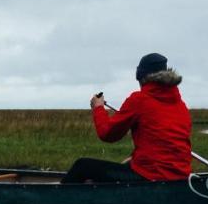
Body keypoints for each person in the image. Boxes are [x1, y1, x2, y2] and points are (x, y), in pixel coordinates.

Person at [61, 52, 192, 184]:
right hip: (180, 177)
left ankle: (57, 200)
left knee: (83, 166)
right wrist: (133, 160)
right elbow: (157, 145)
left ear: (142, 78)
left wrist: (98, 108)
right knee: (127, 166)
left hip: (150, 176)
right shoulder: (181, 106)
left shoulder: (139, 99)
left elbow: (107, 134)